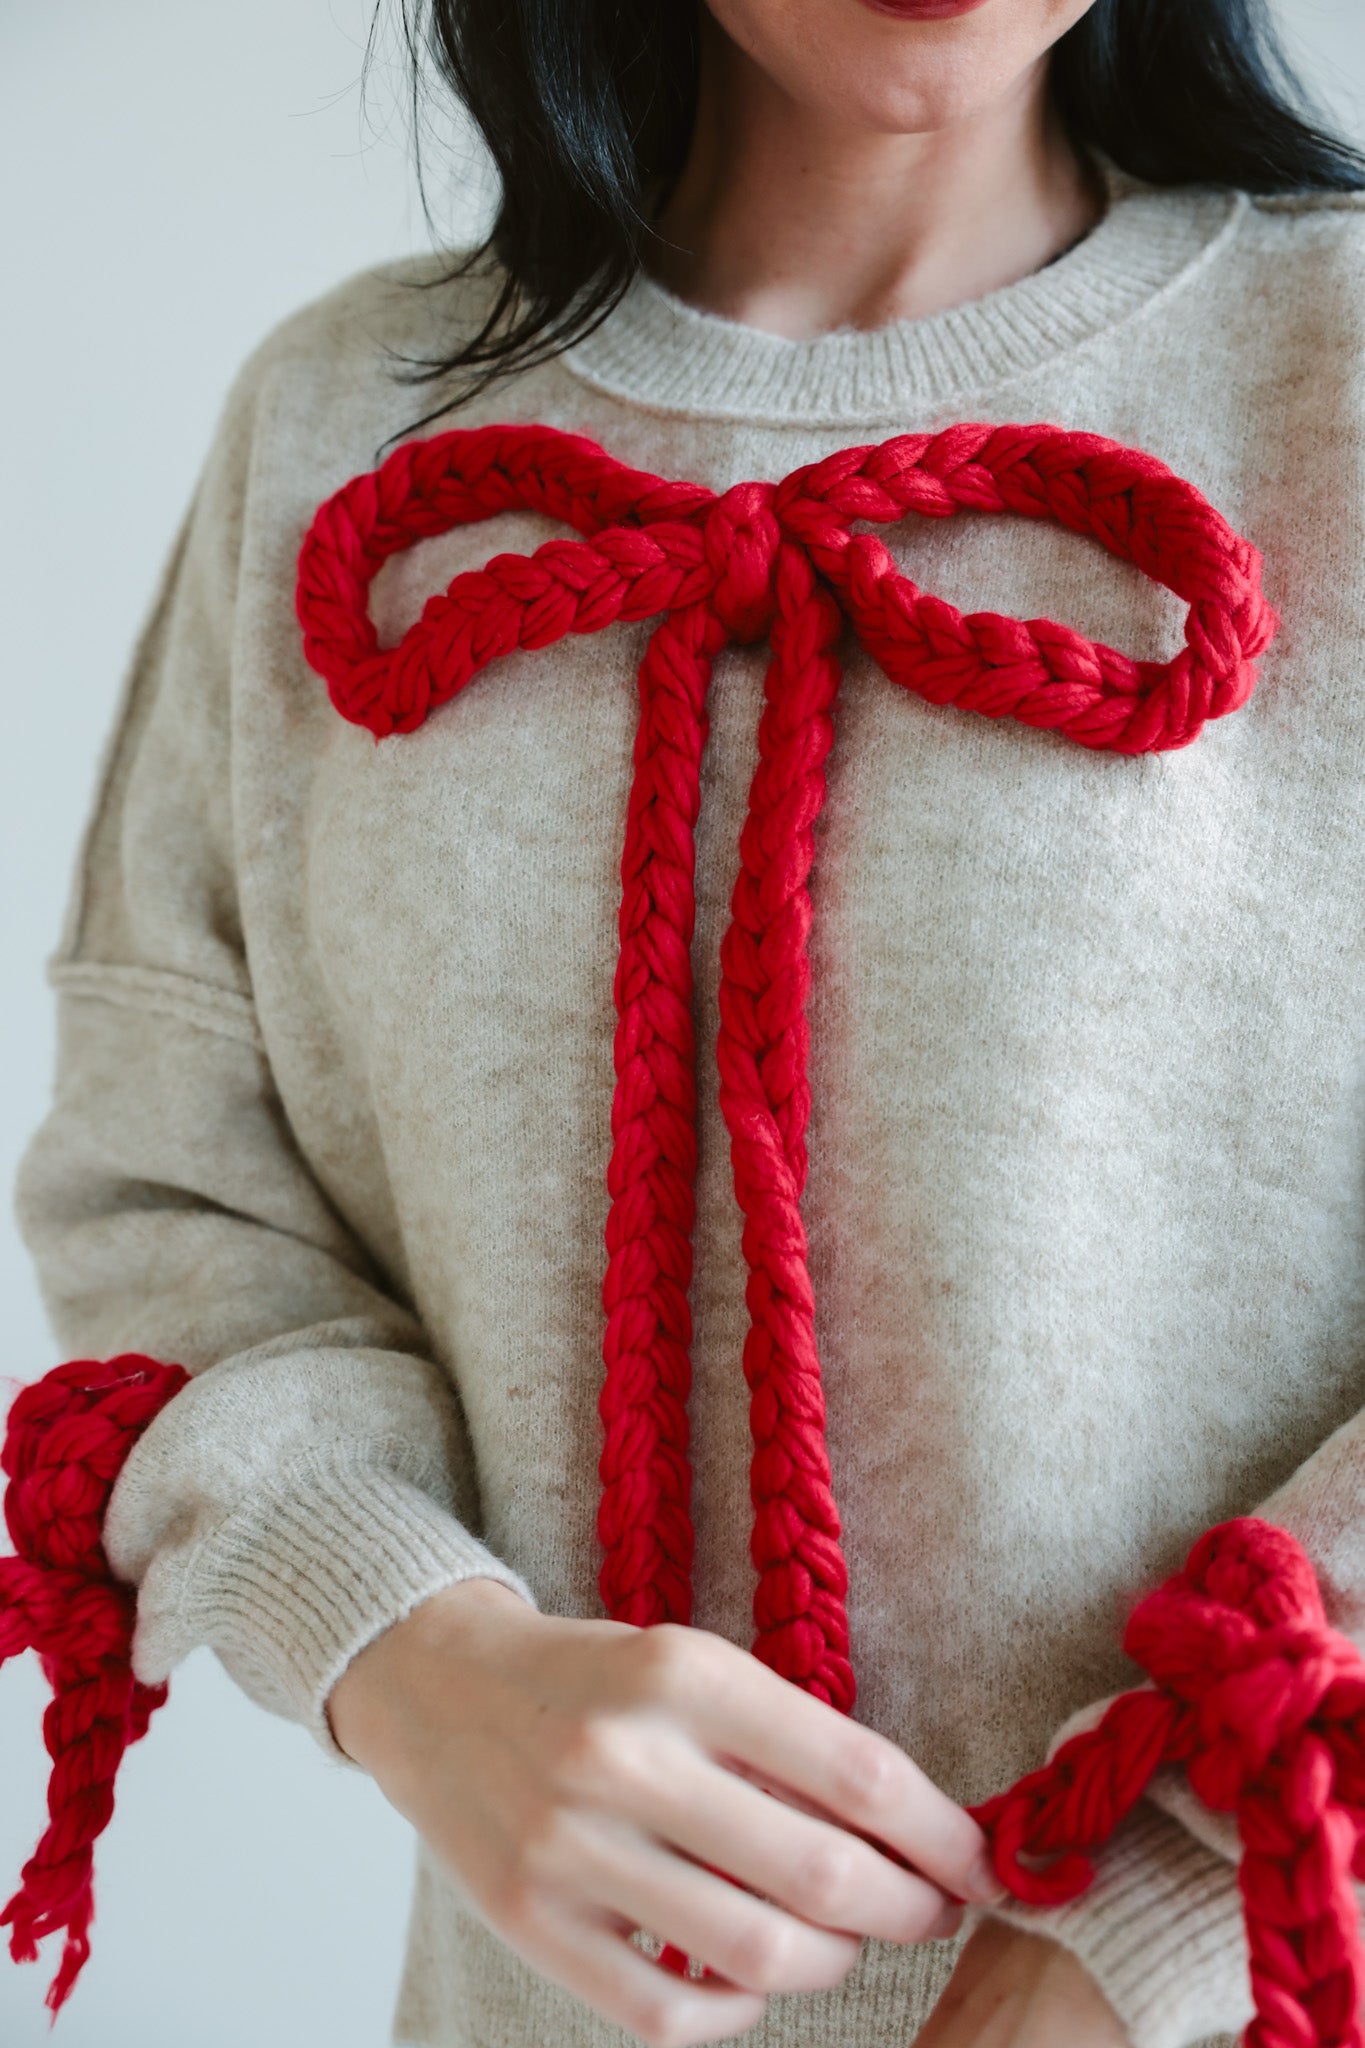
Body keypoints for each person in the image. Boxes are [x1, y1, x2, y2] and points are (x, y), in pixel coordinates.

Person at [15, 0, 1365, 2044]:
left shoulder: (1334, 374)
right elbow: (167, 1186)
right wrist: (408, 1645)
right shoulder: (341, 435)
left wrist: (1150, 1912)